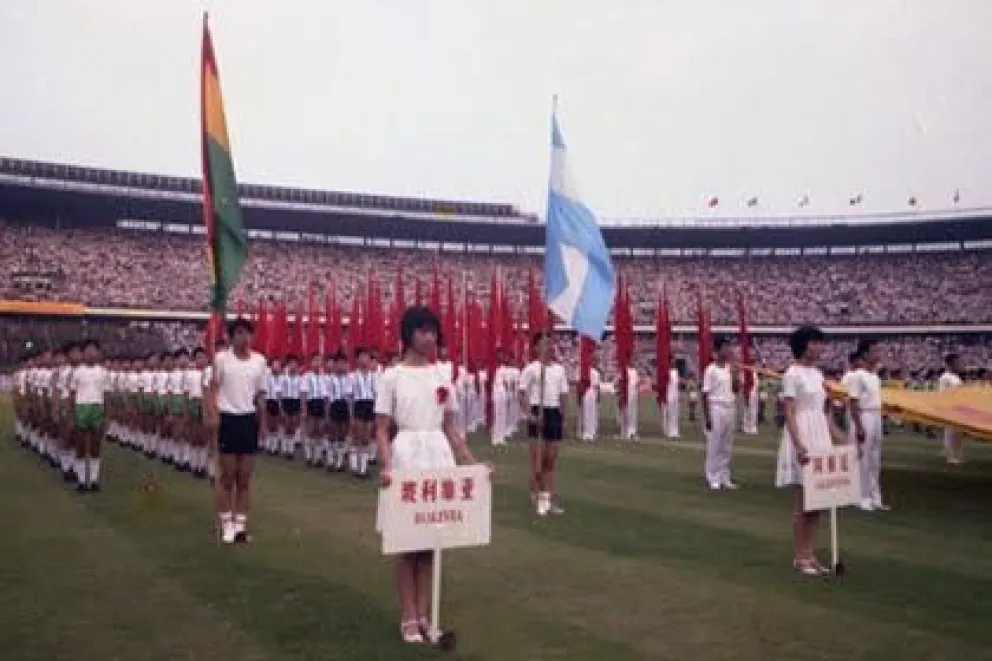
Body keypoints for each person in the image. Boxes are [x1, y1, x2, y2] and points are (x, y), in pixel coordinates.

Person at [375, 306, 487, 645]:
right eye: (423, 331)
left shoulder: (442, 374)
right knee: (405, 542)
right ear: (408, 334)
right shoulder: (391, 376)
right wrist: (388, 465)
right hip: (407, 452)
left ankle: (425, 613)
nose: (430, 337)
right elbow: (381, 429)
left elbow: (452, 427)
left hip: (437, 455)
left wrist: (472, 463)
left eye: (433, 331)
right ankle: (408, 615)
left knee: (431, 542)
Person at [775, 325, 848, 577]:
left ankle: (810, 553)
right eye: (816, 342)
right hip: (803, 433)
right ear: (805, 344)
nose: (820, 348)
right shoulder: (792, 374)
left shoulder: (818, 375)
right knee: (803, 502)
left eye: (821, 343)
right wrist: (798, 444)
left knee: (818, 501)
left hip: (819, 434)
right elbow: (790, 412)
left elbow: (825, 414)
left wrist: (841, 438)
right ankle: (800, 556)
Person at [209, 317, 267, 544]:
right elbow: (213, 389)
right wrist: (213, 417)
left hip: (248, 420)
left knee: (245, 478)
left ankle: (241, 525)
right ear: (231, 337)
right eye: (239, 333)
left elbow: (260, 394)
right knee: (227, 477)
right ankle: (227, 525)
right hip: (228, 420)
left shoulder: (259, 361)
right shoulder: (222, 360)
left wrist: (261, 424)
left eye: (248, 333)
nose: (244, 338)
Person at [519, 332, 569, 516]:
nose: (549, 347)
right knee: (537, 460)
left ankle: (547, 500)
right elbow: (522, 393)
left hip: (553, 412)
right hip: (538, 411)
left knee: (551, 460)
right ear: (536, 348)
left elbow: (564, 395)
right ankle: (536, 497)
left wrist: (563, 419)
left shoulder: (559, 369)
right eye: (544, 344)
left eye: (550, 343)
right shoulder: (531, 368)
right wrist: (530, 415)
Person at [847, 340, 886, 511]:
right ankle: (861, 497)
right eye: (874, 351)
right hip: (864, 415)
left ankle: (874, 496)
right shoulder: (857, 376)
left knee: (875, 458)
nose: (878, 354)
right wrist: (859, 426)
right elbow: (853, 402)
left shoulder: (875, 376)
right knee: (862, 457)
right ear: (864, 354)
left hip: (876, 414)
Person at [69, 339, 108, 492]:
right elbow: (72, 394)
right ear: (83, 354)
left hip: (97, 408)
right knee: (80, 447)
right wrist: (72, 414)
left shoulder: (103, 372)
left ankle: (93, 480)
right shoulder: (77, 372)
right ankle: (81, 480)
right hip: (81, 409)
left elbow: (107, 395)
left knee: (95, 447)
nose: (91, 353)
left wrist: (107, 415)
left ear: (98, 353)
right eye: (88, 350)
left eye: (94, 350)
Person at [702, 337, 740, 490]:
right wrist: (707, 417)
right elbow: (704, 394)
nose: (729, 349)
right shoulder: (710, 369)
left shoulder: (730, 368)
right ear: (718, 350)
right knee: (715, 444)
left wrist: (736, 374)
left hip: (730, 406)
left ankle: (725, 476)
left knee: (727, 445)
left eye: (729, 346)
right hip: (716, 407)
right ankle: (713, 476)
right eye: (725, 346)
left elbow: (736, 390)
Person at [351, 347, 377, 478]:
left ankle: (363, 469)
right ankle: (356, 466)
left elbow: (377, 394)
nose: (364, 359)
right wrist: (351, 415)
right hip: (359, 404)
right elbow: (350, 397)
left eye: (367, 357)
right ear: (357, 359)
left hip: (370, 404)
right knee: (358, 436)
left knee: (367, 437)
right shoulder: (353, 376)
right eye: (362, 356)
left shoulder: (374, 375)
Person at [328, 350, 354, 472]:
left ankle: (339, 462)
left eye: (344, 363)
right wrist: (327, 412)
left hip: (344, 405)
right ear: (335, 364)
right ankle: (330, 460)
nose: (342, 366)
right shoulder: (330, 379)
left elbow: (349, 397)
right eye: (339, 363)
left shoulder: (349, 378)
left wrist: (350, 413)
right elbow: (327, 398)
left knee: (342, 434)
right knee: (333, 433)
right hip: (334, 405)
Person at [301, 355, 329, 467]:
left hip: (321, 403)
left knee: (320, 430)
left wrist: (327, 410)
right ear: (311, 362)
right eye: (315, 361)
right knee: (311, 430)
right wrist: (304, 410)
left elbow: (326, 396)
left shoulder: (325, 377)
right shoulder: (306, 376)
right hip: (311, 402)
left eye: (320, 361)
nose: (318, 363)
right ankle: (308, 456)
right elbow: (303, 394)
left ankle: (317, 458)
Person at [938, 353, 965, 464]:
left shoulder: (956, 377)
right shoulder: (945, 377)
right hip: (950, 408)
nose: (959, 364)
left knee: (958, 433)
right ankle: (950, 456)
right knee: (950, 433)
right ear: (951, 363)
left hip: (959, 407)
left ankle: (957, 455)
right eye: (957, 362)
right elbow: (943, 394)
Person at [279, 355, 303, 459]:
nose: (293, 366)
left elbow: (301, 393)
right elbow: (279, 393)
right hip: (286, 400)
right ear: (288, 365)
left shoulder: (299, 378)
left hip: (295, 401)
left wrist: (301, 407)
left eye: (295, 364)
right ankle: (286, 448)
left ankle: (291, 449)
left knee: (293, 424)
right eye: (291, 364)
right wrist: (281, 407)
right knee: (286, 424)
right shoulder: (284, 378)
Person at [492, 348, 518, 446]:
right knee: (498, 415)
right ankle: (495, 438)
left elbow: (508, 383)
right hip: (498, 392)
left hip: (503, 393)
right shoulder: (497, 367)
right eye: (501, 355)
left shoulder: (505, 369)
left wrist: (507, 395)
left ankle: (501, 437)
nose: (503, 358)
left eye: (504, 356)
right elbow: (501, 382)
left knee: (503, 416)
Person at [579, 357, 601, 443]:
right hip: (591, 392)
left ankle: (586, 433)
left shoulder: (585, 372)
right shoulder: (595, 372)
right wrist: (598, 397)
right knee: (592, 414)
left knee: (586, 413)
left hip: (586, 392)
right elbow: (597, 386)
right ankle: (591, 433)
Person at [618, 364, 639, 441]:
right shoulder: (624, 370)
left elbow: (637, 384)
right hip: (626, 394)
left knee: (633, 414)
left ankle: (632, 431)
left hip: (634, 395)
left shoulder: (635, 371)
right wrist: (621, 393)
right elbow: (620, 382)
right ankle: (624, 432)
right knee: (626, 413)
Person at [663, 358, 680, 439]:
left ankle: (675, 432)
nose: (674, 362)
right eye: (672, 361)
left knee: (676, 414)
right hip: (669, 395)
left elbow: (677, 384)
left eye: (674, 361)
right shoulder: (667, 372)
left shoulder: (676, 372)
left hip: (676, 395)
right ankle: (670, 432)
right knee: (670, 414)